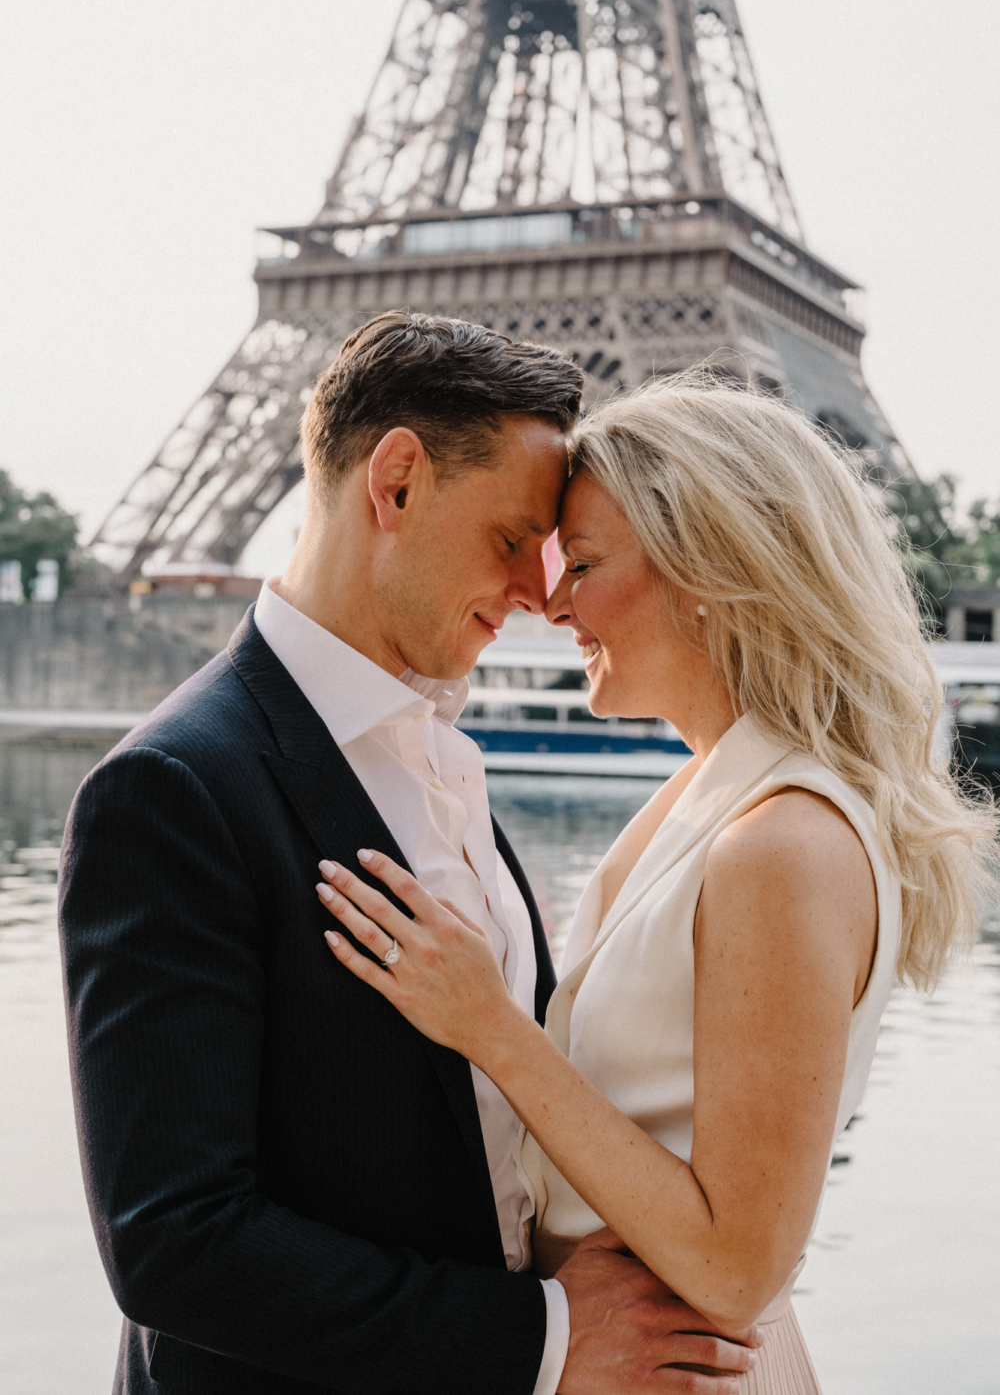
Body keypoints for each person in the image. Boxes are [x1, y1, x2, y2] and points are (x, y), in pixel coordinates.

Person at [59, 314, 762, 1395]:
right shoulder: (172, 791)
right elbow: (174, 1242)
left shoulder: (445, 758)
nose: (539, 593)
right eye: (510, 538)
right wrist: (544, 1340)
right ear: (394, 484)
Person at [315, 380, 996, 1393]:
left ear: (706, 575)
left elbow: (734, 1264)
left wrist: (488, 1024)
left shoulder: (779, 843)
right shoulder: (716, 794)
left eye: (581, 566)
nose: (550, 603)